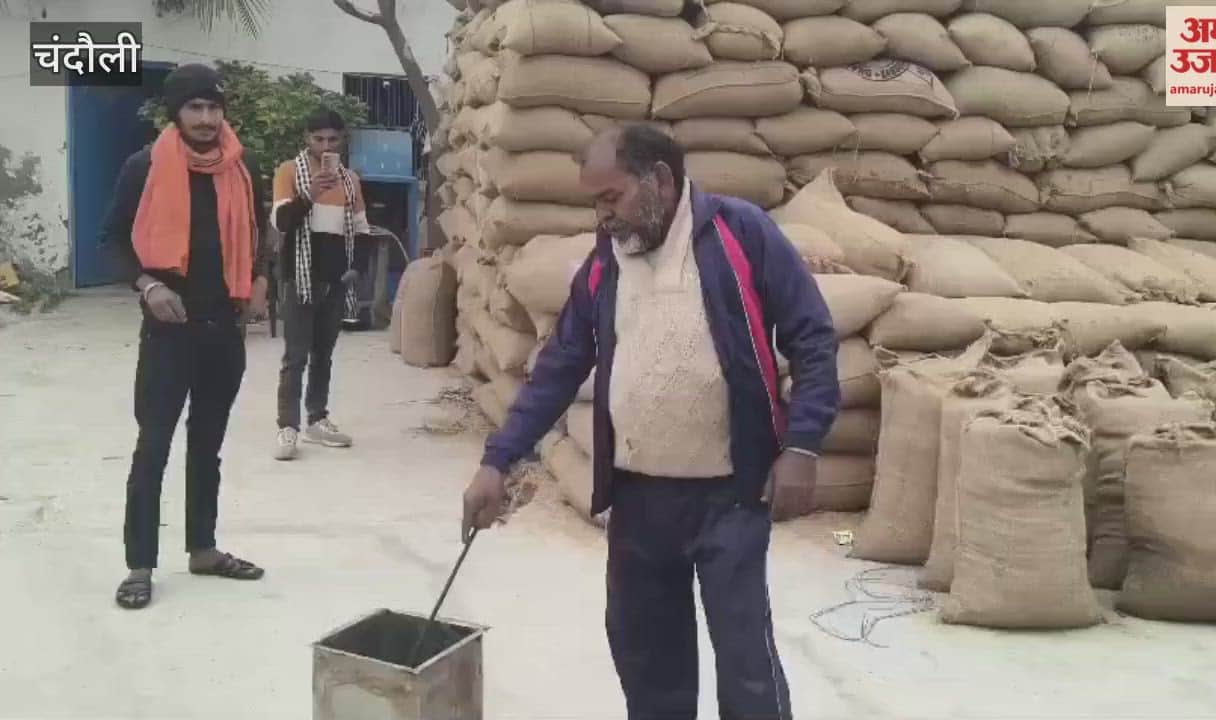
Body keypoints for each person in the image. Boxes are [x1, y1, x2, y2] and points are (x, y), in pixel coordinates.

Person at [462, 125, 839, 720]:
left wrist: (803, 446)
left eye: (610, 197)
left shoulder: (740, 234)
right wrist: (498, 459)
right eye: (594, 202)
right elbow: (559, 366)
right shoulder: (605, 263)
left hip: (731, 495)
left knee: (746, 664)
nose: (602, 215)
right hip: (640, 500)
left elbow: (813, 339)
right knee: (647, 658)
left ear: (658, 180)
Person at [102, 63, 271, 610]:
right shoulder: (144, 166)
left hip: (224, 327)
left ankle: (203, 549)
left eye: (213, 107)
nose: (205, 118)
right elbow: (111, 240)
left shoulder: (243, 167)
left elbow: (257, 231)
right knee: (152, 448)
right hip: (168, 330)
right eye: (194, 107)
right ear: (176, 112)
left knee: (208, 447)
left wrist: (263, 280)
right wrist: (146, 284)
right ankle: (139, 565)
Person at [269, 108, 372, 460]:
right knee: (295, 355)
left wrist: (356, 268)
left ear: (341, 140)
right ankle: (288, 426)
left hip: (334, 279)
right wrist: (308, 195)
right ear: (307, 140)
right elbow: (282, 222)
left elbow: (360, 227)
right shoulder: (289, 172)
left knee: (323, 355)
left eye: (332, 139)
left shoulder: (349, 180)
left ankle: (317, 418)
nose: (325, 145)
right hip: (298, 277)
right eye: (318, 139)